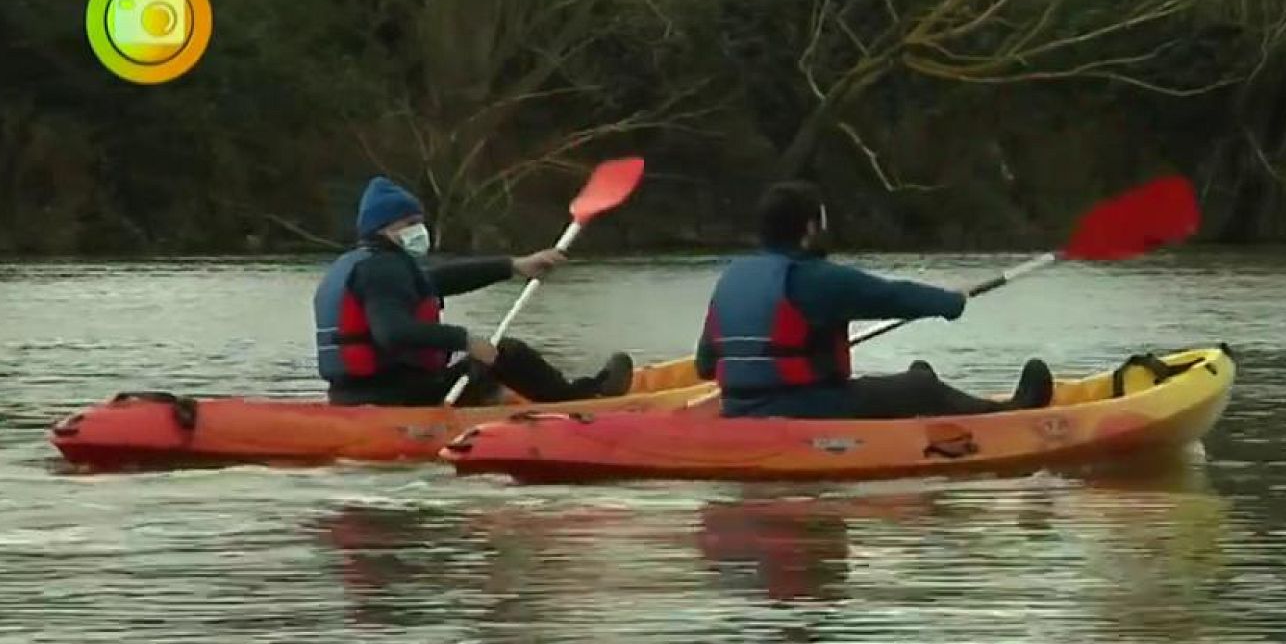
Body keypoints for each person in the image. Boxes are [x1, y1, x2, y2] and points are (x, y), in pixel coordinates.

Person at [694, 180, 1054, 419]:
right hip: (805, 409)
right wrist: (948, 302)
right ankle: (1014, 414)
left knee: (914, 375)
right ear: (808, 230)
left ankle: (928, 384)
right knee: (920, 387)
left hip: (739, 408)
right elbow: (893, 296)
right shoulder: (816, 279)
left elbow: (705, 366)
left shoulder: (732, 278)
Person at [313, 176, 633, 407]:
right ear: (384, 229)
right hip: (397, 396)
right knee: (506, 352)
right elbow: (392, 332)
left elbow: (439, 281)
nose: (418, 230)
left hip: (350, 396)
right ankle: (584, 402)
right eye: (409, 223)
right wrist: (464, 340)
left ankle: (505, 402)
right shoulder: (384, 268)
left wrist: (514, 266)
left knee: (490, 365)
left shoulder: (362, 265)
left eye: (419, 221)